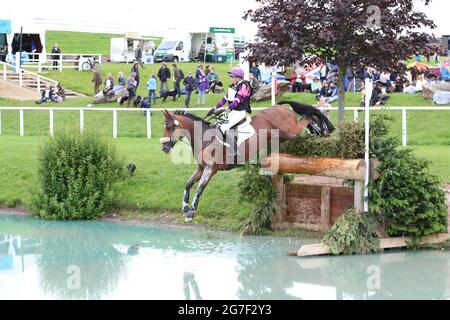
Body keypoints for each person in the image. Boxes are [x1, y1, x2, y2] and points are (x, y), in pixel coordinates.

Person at [214, 67, 253, 156]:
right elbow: (225, 98)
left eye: (232, 77)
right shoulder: (233, 86)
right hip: (234, 111)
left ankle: (235, 150)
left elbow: (237, 101)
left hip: (240, 112)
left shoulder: (244, 86)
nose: (231, 79)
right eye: (231, 77)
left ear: (238, 77)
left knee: (224, 127)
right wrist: (216, 107)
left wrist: (226, 108)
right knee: (218, 123)